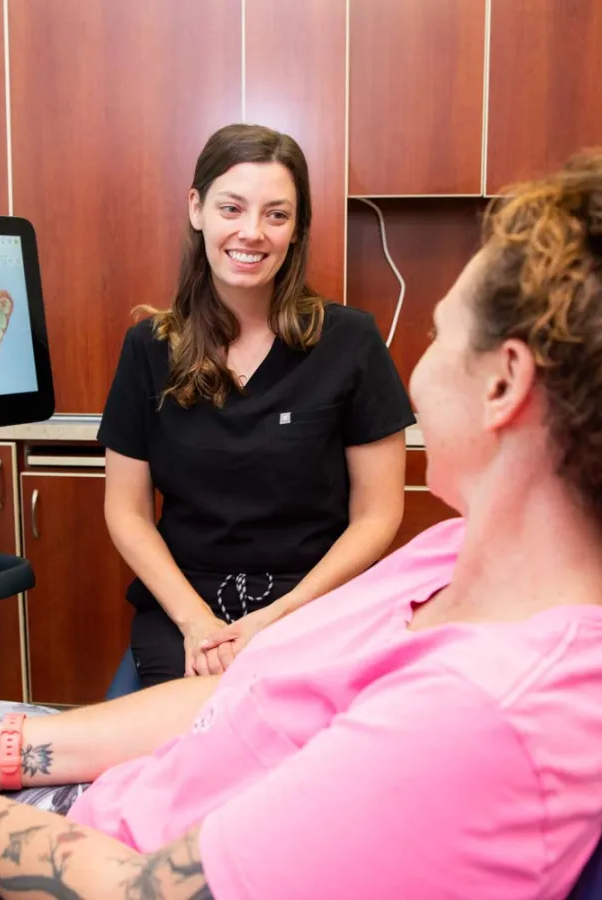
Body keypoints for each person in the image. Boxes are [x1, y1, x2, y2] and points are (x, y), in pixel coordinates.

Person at [0, 138, 602, 900]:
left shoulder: (475, 718)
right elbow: (244, 699)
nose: (418, 372)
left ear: (503, 384)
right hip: (106, 803)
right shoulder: (456, 553)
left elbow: (142, 890)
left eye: (436, 333)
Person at [98, 123, 415, 686]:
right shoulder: (148, 349)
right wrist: (196, 622)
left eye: (276, 214)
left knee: (284, 726)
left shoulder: (350, 342)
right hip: (185, 603)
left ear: (297, 228)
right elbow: (127, 512)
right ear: (196, 208)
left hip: (314, 600)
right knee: (190, 728)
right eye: (231, 208)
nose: (252, 232)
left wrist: (281, 617)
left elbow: (377, 514)